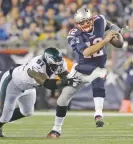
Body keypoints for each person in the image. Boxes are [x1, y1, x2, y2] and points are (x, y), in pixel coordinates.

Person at [0, 47, 106, 137]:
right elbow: (47, 83)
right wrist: (66, 82)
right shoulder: (37, 64)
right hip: (13, 83)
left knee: (27, 112)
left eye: (58, 64)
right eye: (54, 65)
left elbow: (64, 76)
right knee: (4, 116)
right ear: (46, 60)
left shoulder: (59, 63)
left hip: (29, 87)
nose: (57, 67)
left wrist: (74, 79)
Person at [47, 7, 122, 138]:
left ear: (92, 19)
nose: (85, 25)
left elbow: (114, 29)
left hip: (97, 68)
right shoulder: (73, 34)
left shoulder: (100, 20)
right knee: (62, 99)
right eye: (81, 23)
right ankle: (56, 129)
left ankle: (98, 114)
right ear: (76, 24)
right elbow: (87, 52)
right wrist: (105, 40)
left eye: (87, 21)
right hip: (82, 68)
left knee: (99, 75)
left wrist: (116, 35)